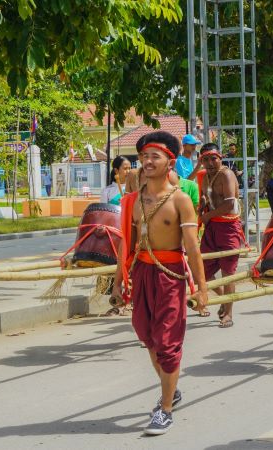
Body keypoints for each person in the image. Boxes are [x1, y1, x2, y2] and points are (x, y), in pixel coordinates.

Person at [111, 131, 208, 436]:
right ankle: (172, 388)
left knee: (167, 342)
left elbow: (192, 249)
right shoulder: (133, 201)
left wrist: (202, 289)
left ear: (171, 161)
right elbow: (126, 246)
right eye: (144, 156)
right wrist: (117, 283)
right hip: (142, 273)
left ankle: (165, 409)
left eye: (155, 156)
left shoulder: (181, 201)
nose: (147, 161)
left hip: (171, 275)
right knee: (146, 334)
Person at [198, 143, 243, 327]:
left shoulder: (226, 174)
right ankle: (226, 300)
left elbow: (230, 204)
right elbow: (205, 198)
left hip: (228, 227)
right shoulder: (205, 177)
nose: (209, 163)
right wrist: (202, 205)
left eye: (213, 158)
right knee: (202, 271)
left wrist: (206, 215)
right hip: (211, 228)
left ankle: (229, 314)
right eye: (205, 159)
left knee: (228, 272)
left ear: (220, 158)